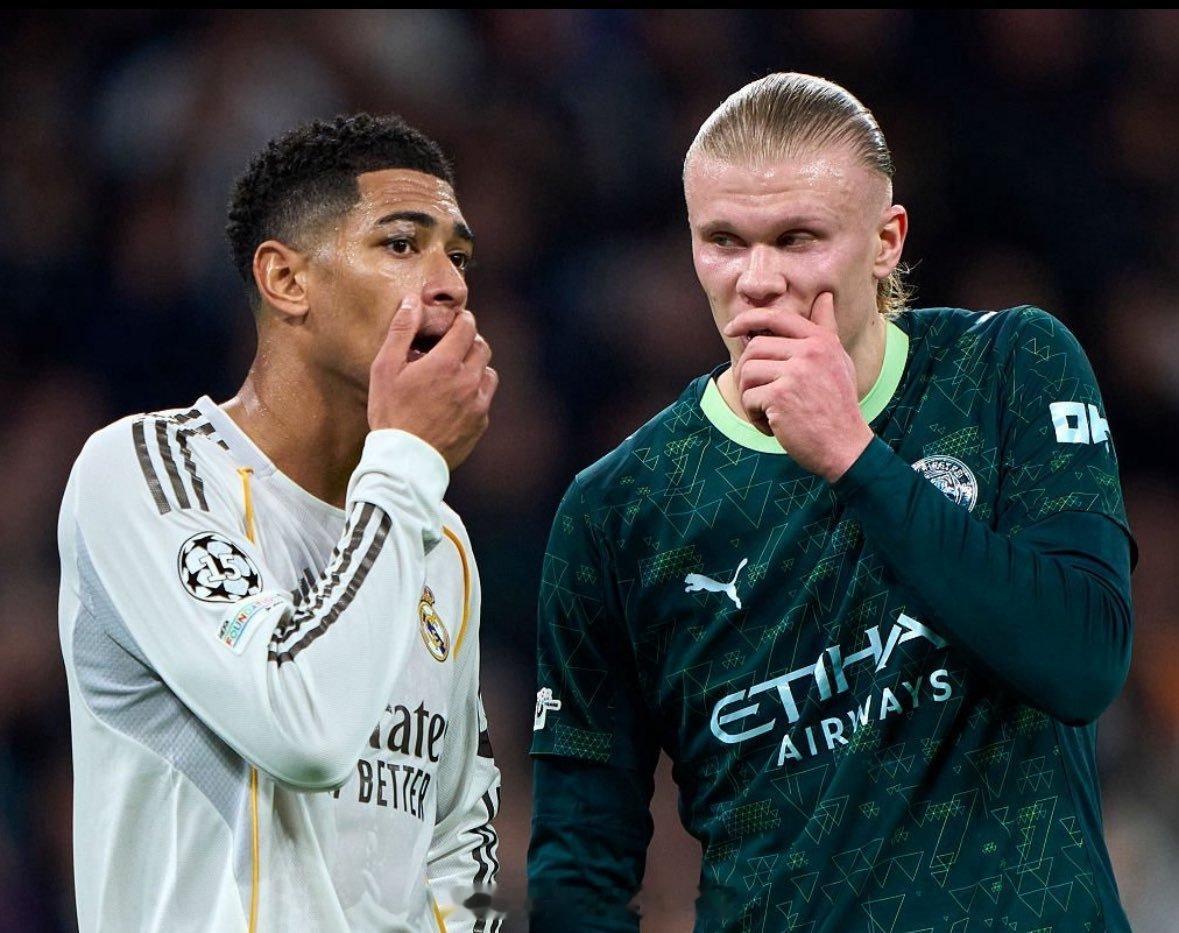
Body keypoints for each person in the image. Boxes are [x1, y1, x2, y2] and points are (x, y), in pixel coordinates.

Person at [528, 73, 1135, 931]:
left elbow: (1082, 661)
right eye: (723, 241)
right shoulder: (618, 507)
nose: (756, 279)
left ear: (885, 241)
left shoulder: (1007, 367)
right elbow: (579, 861)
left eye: (797, 238)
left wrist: (853, 456)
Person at [58, 114, 502, 932]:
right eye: (401, 244)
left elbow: (458, 832)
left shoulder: (438, 541)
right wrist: (406, 459)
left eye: (459, 257)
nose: (448, 284)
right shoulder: (147, 473)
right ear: (286, 279)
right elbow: (303, 729)